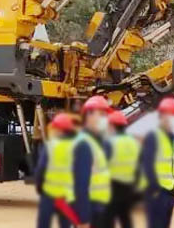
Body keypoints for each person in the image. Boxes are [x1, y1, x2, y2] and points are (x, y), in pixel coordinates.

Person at [140, 97, 174, 228]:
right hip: (158, 193)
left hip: (170, 191)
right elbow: (147, 164)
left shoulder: (172, 138)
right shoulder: (154, 136)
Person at [74, 95, 113, 228]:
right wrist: (83, 219)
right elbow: (80, 185)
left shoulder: (98, 142)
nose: (104, 119)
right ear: (89, 115)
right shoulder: (84, 144)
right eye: (101, 114)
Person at [36, 112, 79, 228]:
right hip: (67, 195)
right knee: (65, 224)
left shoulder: (51, 146)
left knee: (43, 223)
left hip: (49, 193)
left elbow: (41, 169)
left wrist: (39, 187)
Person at [105, 110, 140, 228]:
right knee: (125, 218)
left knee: (108, 219)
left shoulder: (109, 142)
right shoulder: (132, 142)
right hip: (128, 187)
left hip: (112, 186)